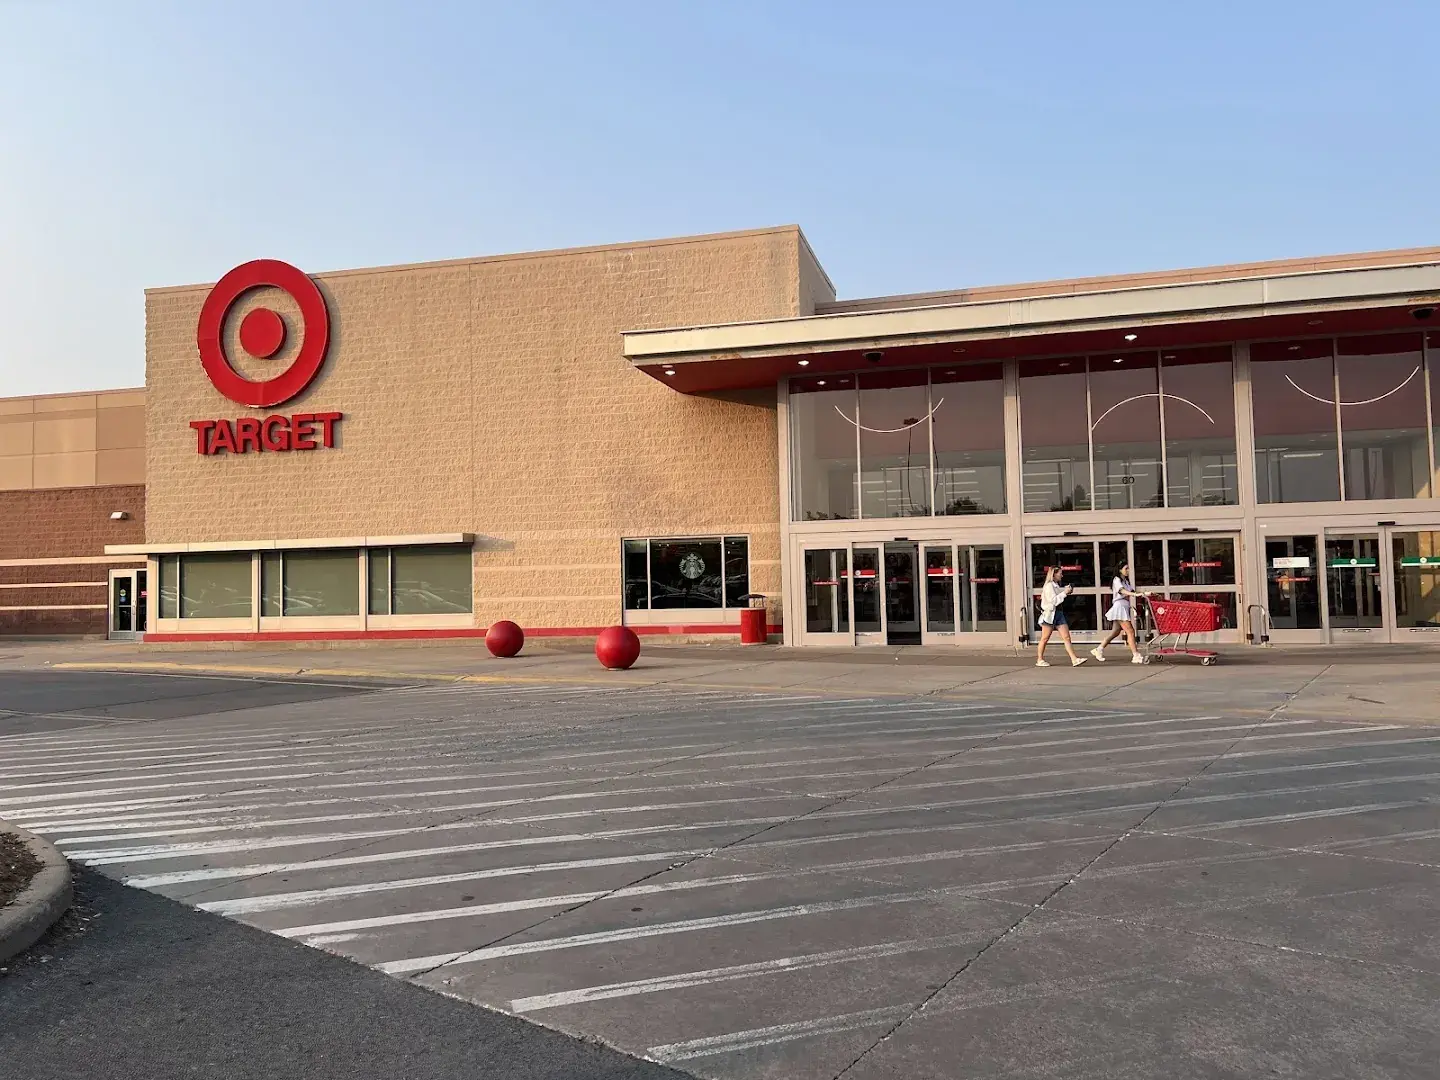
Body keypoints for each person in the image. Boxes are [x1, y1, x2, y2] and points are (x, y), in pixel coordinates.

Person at [1093, 561, 1145, 664]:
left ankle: (1099, 649)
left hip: (1123, 606)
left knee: (1115, 632)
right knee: (1130, 631)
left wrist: (1144, 593)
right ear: (1120, 570)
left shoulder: (1125, 581)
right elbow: (1122, 591)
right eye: (1126, 568)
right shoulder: (1116, 580)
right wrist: (1134, 595)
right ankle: (1135, 654)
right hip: (1120, 606)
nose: (1128, 571)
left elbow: (1132, 591)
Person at [1035, 566, 1087, 668]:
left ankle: (1074, 659)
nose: (1062, 575)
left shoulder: (1055, 585)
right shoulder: (1049, 586)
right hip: (1050, 614)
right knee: (1045, 638)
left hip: (1059, 613)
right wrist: (1064, 593)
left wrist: (1066, 591)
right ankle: (1039, 659)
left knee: (1066, 637)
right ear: (1054, 574)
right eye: (1060, 573)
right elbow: (1054, 601)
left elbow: (1059, 596)